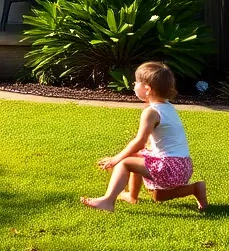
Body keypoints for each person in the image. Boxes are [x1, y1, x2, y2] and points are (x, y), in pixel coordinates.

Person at [81, 61, 207, 212]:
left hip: (169, 167)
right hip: (182, 166)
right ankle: (194, 188)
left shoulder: (151, 112)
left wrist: (116, 159)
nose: (134, 85)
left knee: (125, 163)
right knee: (158, 196)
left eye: (136, 82)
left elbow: (140, 142)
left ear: (147, 89)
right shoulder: (167, 106)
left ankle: (107, 201)